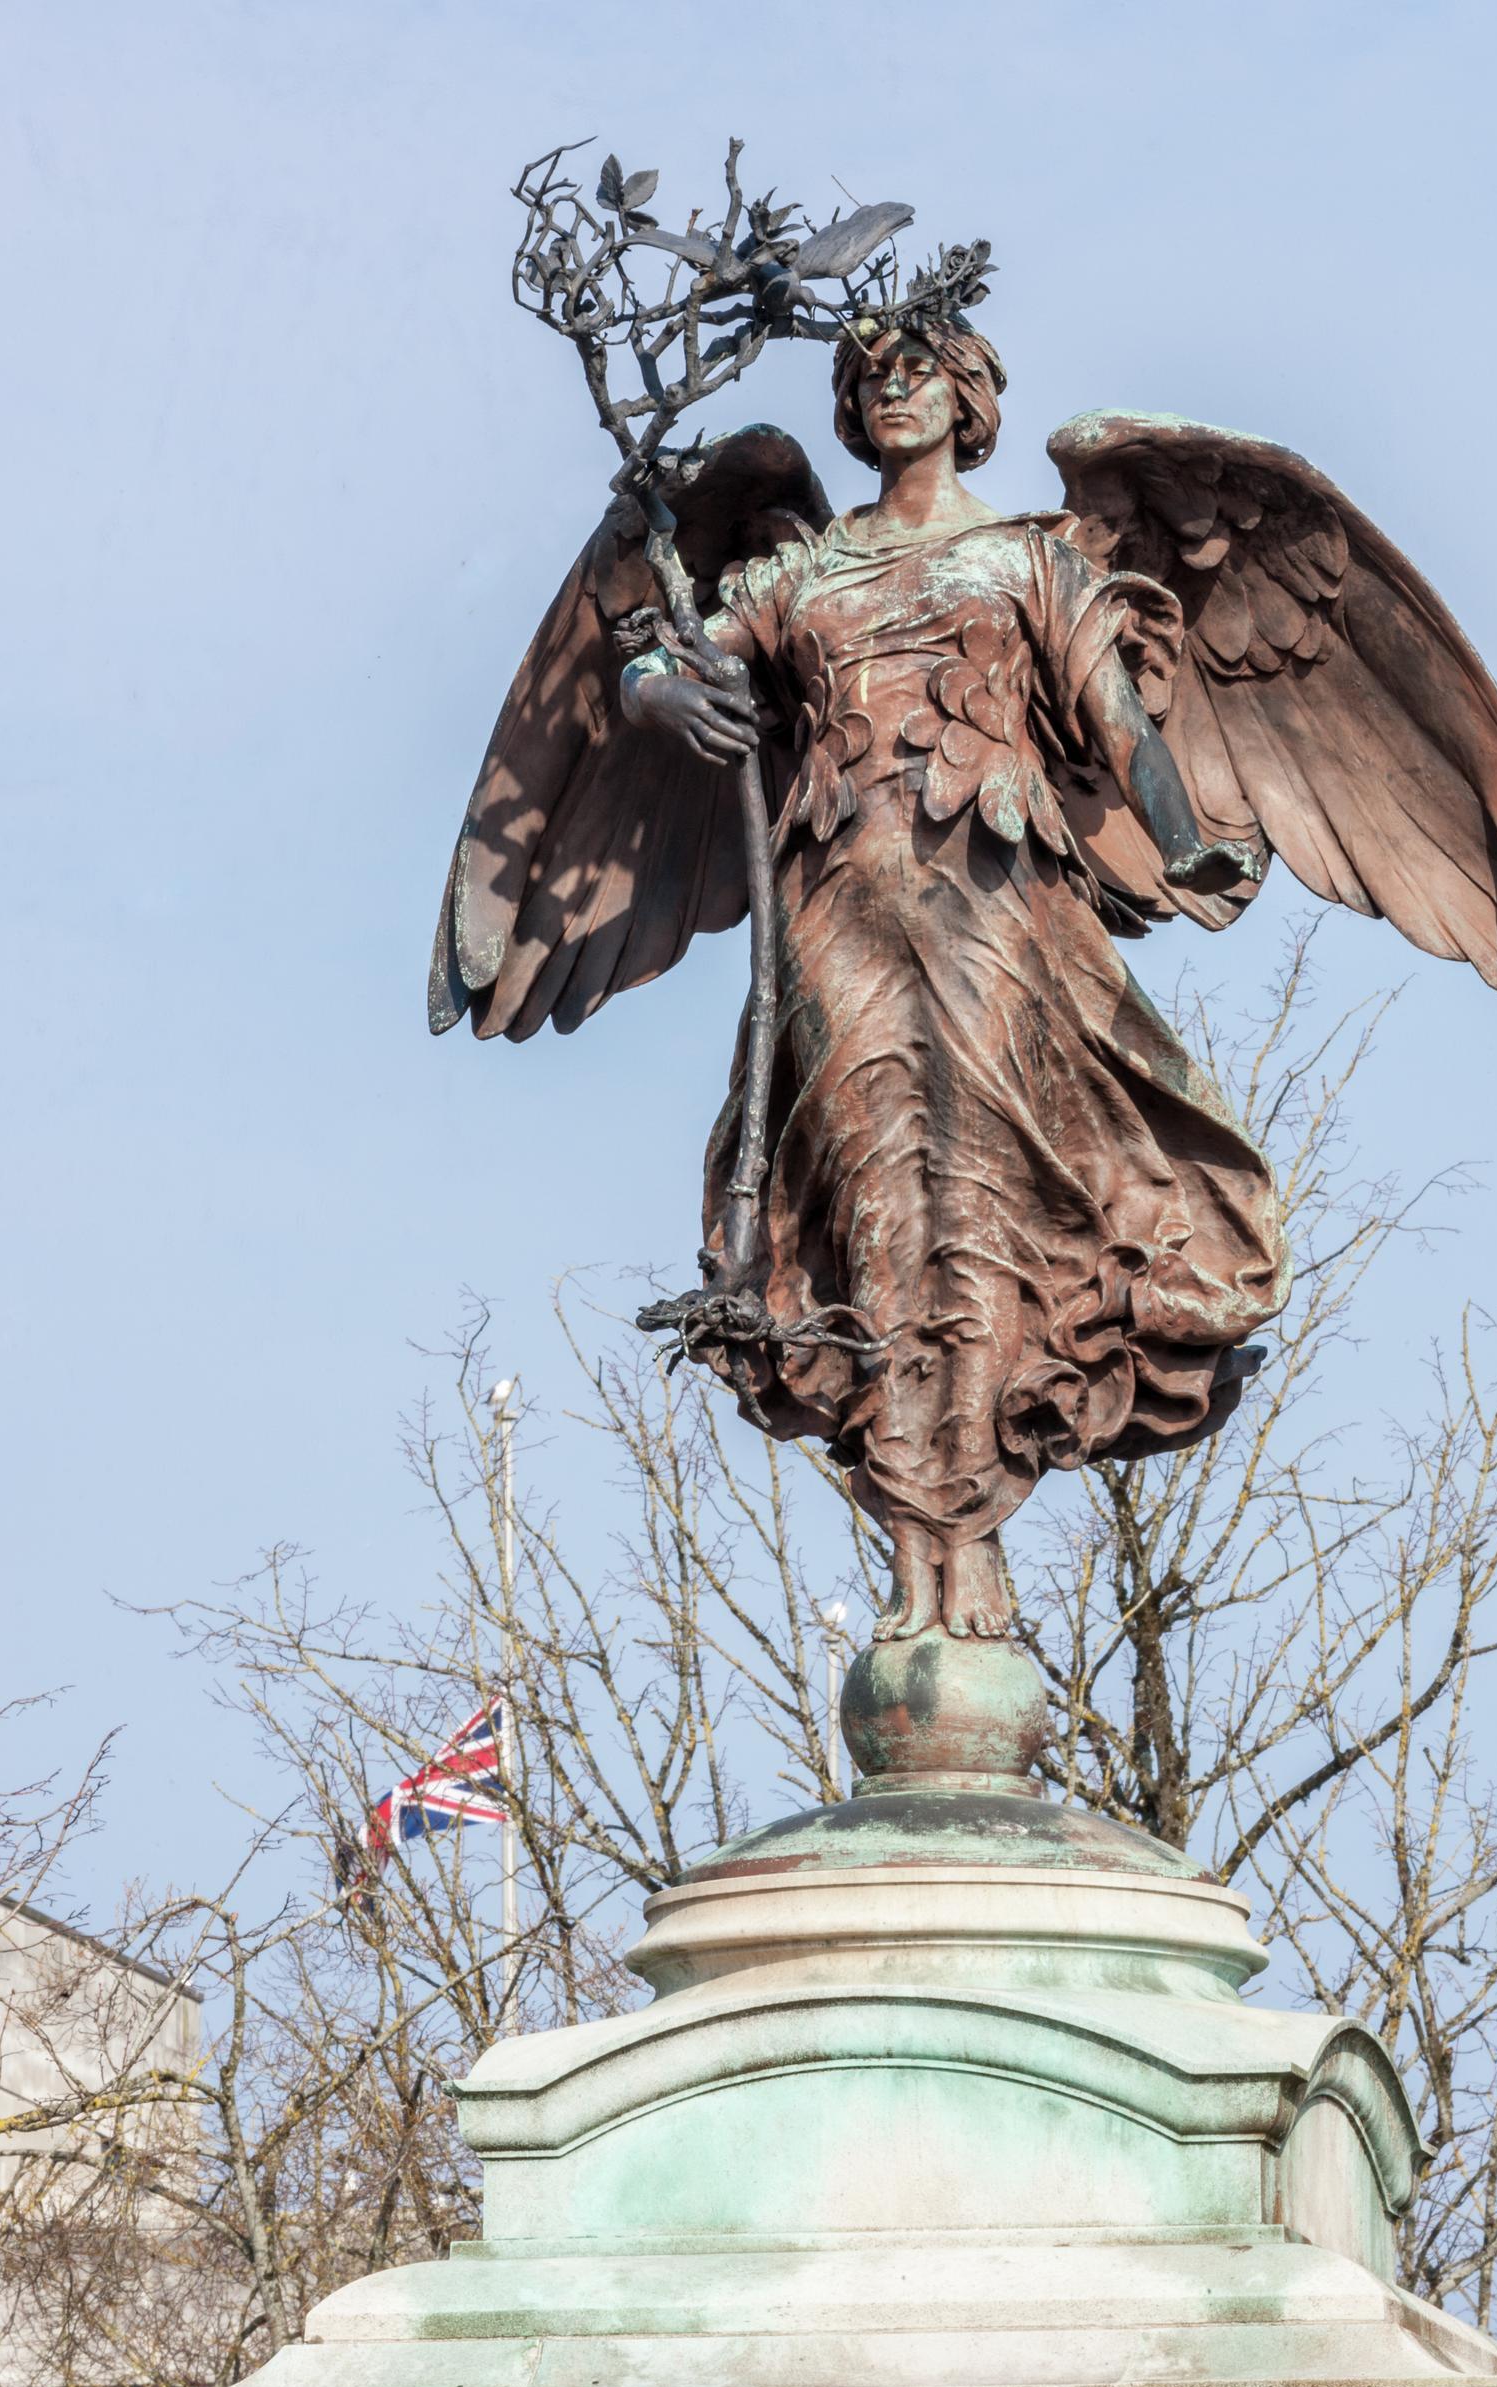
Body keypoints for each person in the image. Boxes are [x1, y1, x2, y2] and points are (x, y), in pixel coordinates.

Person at [622, 313, 1285, 1645]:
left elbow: (1117, 718)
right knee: (869, 1195)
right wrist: (658, 691)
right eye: (870, 371)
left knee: (982, 1186)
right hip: (832, 907)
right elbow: (666, 657)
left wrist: (1186, 835)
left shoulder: (1027, 560)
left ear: (973, 392)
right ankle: (921, 1544)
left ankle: (966, 1552)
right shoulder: (799, 577)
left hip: (992, 898)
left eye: (923, 361)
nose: (895, 382)